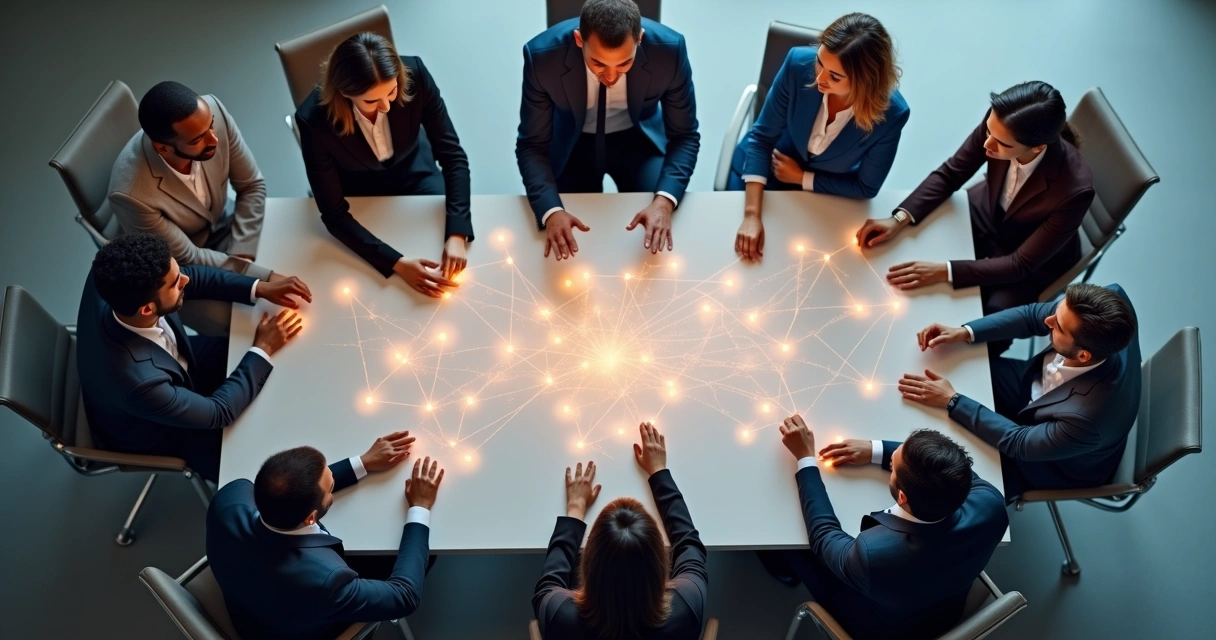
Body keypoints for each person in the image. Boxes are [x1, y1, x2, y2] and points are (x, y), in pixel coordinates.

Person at [75, 233, 311, 481]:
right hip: (160, 429)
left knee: (248, 355)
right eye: (176, 282)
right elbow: (218, 412)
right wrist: (263, 347)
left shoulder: (114, 277)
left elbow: (191, 276)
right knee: (249, 468)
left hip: (173, 362)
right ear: (147, 309)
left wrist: (259, 287)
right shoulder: (138, 382)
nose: (185, 279)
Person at [857, 81, 1094, 317]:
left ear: (1037, 148)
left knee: (992, 315)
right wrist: (898, 218)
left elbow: (1020, 264)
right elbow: (952, 172)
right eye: (989, 131)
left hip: (1028, 260)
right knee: (914, 248)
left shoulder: (1076, 191)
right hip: (985, 212)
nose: (987, 144)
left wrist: (944, 271)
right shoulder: (1000, 124)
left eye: (1002, 144)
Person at [771, 415, 1007, 640]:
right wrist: (876, 450)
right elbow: (952, 470)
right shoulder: (992, 505)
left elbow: (823, 536)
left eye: (893, 465)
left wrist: (806, 459)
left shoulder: (874, 554)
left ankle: (783, 571)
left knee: (791, 543)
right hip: (946, 609)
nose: (891, 459)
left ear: (902, 497)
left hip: (885, 629)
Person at [901, 283, 1140, 500]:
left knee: (944, 485)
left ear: (1083, 355)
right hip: (1032, 385)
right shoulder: (1107, 302)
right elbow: (1030, 315)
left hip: (1051, 463)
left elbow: (1019, 444)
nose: (1047, 321)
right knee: (955, 368)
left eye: (1056, 327)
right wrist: (964, 332)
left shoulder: (1088, 419)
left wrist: (952, 400)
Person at [207, 433, 442, 640]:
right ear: (311, 518)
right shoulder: (326, 583)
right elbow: (405, 597)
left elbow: (281, 489)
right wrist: (419, 507)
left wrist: (362, 463)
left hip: (246, 602)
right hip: (287, 630)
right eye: (330, 488)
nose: (332, 486)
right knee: (427, 556)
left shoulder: (229, 499)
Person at [517, 0, 700, 260]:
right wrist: (551, 211)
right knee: (571, 250)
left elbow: (685, 136)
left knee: (658, 242)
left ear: (640, 39)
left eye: (624, 64)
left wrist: (664, 202)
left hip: (639, 142)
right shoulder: (541, 56)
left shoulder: (670, 51)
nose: (611, 77)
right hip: (572, 145)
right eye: (599, 64)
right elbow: (531, 144)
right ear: (579, 39)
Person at [295, 32, 472, 298]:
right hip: (359, 189)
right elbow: (334, 215)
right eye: (371, 101)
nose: (387, 106)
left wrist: (457, 234)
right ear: (344, 93)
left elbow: (453, 156)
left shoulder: (416, 74)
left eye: (392, 92)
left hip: (416, 170)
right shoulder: (313, 120)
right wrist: (397, 264)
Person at [731, 13, 909, 262]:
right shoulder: (797, 64)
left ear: (865, 82)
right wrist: (751, 215)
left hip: (826, 194)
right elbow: (761, 138)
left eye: (835, 77)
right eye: (819, 62)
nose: (819, 79)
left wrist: (802, 178)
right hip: (765, 171)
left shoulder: (892, 114)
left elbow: (866, 187)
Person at [109, 81, 273, 334]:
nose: (214, 139)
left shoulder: (212, 113)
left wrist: (242, 256)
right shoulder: (131, 194)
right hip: (180, 271)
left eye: (211, 126)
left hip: (225, 223)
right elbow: (188, 257)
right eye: (198, 139)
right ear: (163, 148)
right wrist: (261, 278)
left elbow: (252, 185)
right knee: (245, 328)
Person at [533, 422, 708, 639]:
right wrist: (659, 471)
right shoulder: (687, 604)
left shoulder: (560, 615)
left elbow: (548, 585)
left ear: (587, 562)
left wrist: (575, 509)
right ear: (662, 561)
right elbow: (689, 545)